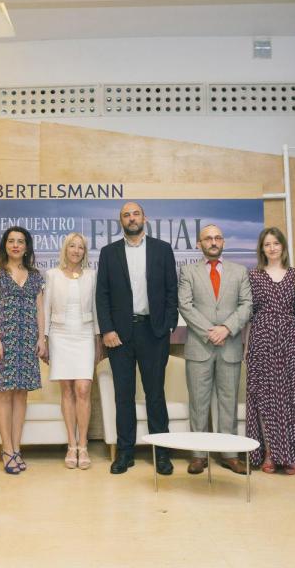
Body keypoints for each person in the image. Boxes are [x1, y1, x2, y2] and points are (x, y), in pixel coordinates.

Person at [95, 202, 179, 476]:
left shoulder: (162, 250)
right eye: (126, 215)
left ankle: (162, 452)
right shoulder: (109, 253)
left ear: (145, 217)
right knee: (124, 396)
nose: (132, 218)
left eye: (136, 214)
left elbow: (170, 291)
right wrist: (107, 330)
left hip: (153, 333)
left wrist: (167, 326)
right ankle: (125, 453)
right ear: (121, 221)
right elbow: (102, 294)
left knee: (155, 395)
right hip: (119, 335)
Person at [177, 224, 252, 475]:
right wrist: (211, 331)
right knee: (198, 402)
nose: (213, 241)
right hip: (200, 345)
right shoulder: (188, 271)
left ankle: (229, 454)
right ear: (199, 244)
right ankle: (199, 455)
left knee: (228, 402)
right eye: (208, 238)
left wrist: (226, 329)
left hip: (229, 345)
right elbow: (185, 306)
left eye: (217, 237)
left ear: (223, 242)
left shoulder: (239, 271)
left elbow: (246, 305)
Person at [246, 227, 295, 475]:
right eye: (267, 244)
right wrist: (247, 348)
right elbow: (249, 315)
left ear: (283, 247)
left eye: (276, 243)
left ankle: (289, 455)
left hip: (291, 343)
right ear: (262, 249)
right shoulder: (253, 276)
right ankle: (269, 453)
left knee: (293, 398)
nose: (272, 248)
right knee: (265, 399)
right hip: (262, 342)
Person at [0, 226, 46, 474]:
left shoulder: (35, 275)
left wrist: (41, 338)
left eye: (20, 241)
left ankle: (16, 448)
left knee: (21, 394)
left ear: (27, 246)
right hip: (3, 342)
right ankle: (7, 449)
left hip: (27, 341)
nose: (16, 245)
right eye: (11, 241)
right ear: (5, 245)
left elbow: (40, 309)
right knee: (4, 394)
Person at [43, 233, 101, 470]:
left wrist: (98, 340)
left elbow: (97, 309)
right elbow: (45, 309)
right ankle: (71, 445)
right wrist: (44, 339)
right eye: (72, 246)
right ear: (65, 249)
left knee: (83, 388)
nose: (76, 250)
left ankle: (84, 444)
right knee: (66, 389)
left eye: (81, 247)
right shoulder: (52, 275)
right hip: (59, 335)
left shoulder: (92, 275)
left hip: (85, 335)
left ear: (85, 252)